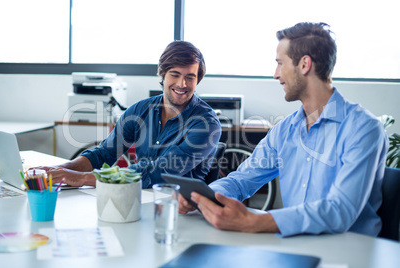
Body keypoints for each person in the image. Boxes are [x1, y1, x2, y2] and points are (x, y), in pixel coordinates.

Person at [179, 22, 388, 237]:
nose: (276, 74)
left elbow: (340, 210)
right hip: (296, 244)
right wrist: (202, 196)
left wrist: (255, 221)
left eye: (280, 63)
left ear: (305, 64)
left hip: (350, 251)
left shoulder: (363, 129)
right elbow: (242, 179)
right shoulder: (285, 130)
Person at [38, 41, 221, 189]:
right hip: (139, 198)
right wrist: (58, 170)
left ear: (198, 80)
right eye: (175, 74)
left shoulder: (206, 123)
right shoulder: (140, 110)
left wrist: (83, 179)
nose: (182, 83)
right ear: (163, 74)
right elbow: (103, 154)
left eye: (190, 77)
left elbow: (159, 171)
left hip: (182, 210)